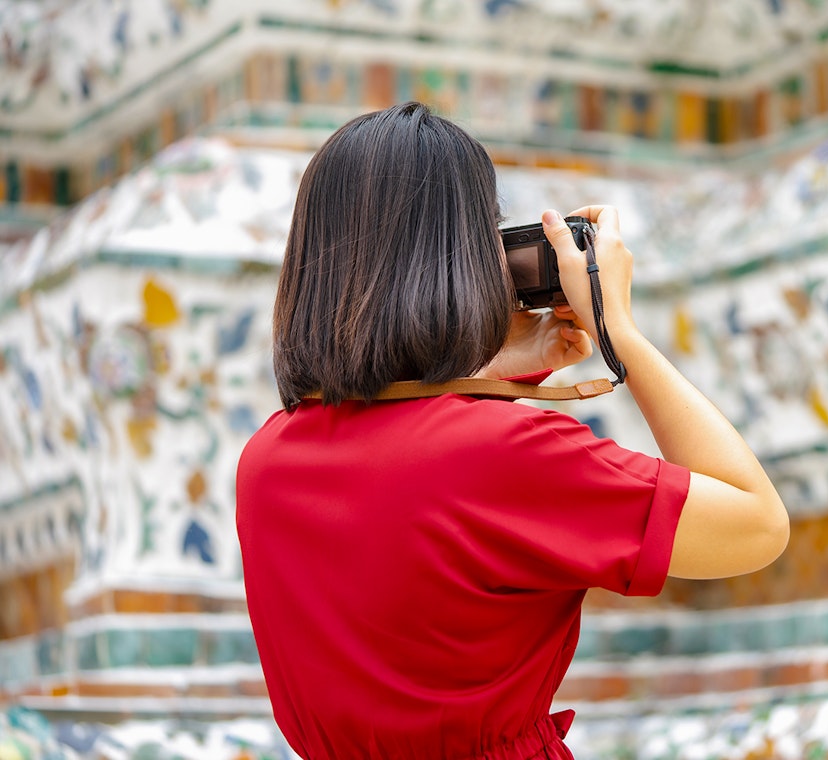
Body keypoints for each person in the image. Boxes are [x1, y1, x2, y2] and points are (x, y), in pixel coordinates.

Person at [235, 101, 788, 760]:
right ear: (457, 259)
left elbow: (405, 461)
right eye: (486, 230)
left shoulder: (266, 457)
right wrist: (621, 334)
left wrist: (505, 364)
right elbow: (756, 525)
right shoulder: (502, 454)